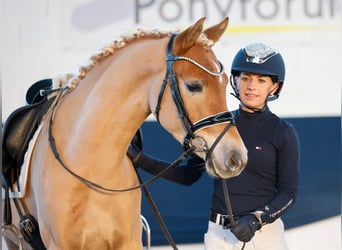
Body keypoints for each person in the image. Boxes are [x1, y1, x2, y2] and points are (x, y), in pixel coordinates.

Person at [128, 42, 299, 250]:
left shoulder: (282, 131)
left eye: (261, 80)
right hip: (219, 237)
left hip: (264, 237)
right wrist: (140, 159)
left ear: (274, 87)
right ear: (235, 80)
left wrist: (258, 219)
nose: (251, 86)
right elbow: (187, 175)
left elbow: (288, 192)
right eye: (245, 78)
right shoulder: (216, 127)